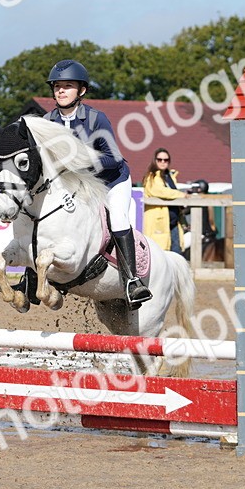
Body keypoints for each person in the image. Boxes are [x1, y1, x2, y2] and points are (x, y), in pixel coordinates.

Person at [43, 59, 151, 308]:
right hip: (78, 186)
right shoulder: (48, 121)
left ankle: (132, 281)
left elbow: (113, 158)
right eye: (57, 86)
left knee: (118, 219)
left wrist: (81, 164)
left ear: (81, 91)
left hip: (111, 182)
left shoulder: (95, 119)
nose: (60, 90)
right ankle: (31, 277)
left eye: (67, 86)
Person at [141, 149, 187, 256]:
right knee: (160, 254)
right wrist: (181, 195)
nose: (163, 162)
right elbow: (158, 191)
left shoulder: (169, 176)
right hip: (158, 222)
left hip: (174, 222)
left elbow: (170, 192)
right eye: (160, 159)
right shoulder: (151, 176)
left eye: (166, 160)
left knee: (176, 255)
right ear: (155, 160)